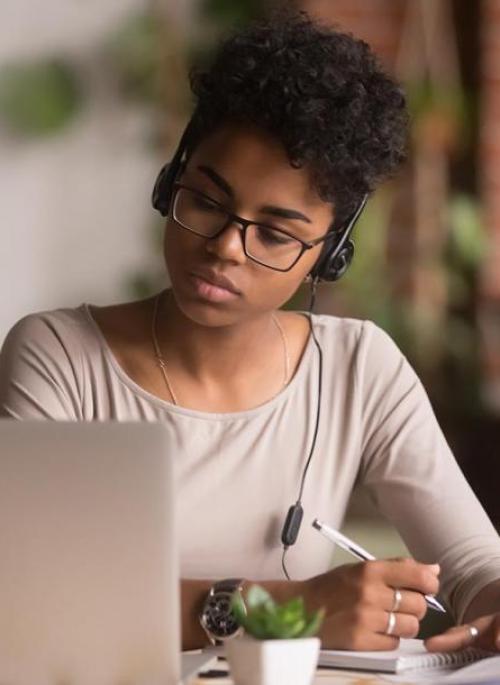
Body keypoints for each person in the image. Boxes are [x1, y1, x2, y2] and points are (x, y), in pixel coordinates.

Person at [1, 9, 500, 654]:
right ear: (168, 183)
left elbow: (474, 563)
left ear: (329, 253)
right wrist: (287, 607)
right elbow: (38, 594)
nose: (226, 248)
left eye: (275, 233)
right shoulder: (60, 359)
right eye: (206, 201)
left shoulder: (359, 369)